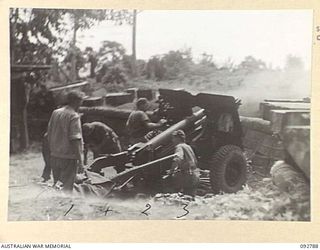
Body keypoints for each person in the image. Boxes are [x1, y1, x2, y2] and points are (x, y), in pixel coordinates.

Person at [47, 90, 85, 192]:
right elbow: (75, 139)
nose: (81, 105)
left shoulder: (56, 112)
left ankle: (57, 204)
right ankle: (65, 206)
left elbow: (48, 134)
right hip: (68, 157)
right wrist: (80, 161)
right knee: (67, 187)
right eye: (81, 102)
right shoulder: (74, 116)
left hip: (55, 155)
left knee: (57, 184)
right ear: (77, 101)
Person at [167, 130, 200, 196]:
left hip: (186, 176)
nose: (172, 140)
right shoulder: (188, 146)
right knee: (190, 198)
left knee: (170, 189)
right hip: (195, 175)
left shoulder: (179, 146)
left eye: (173, 138)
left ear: (177, 138)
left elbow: (177, 159)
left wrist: (171, 172)